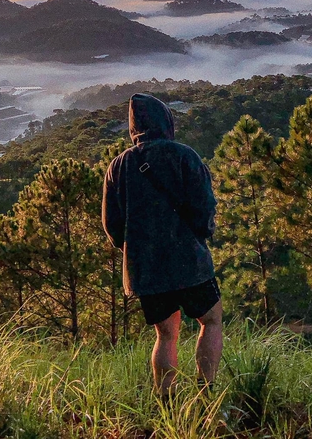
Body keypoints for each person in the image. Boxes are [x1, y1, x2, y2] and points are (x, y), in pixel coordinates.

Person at [102, 92, 222, 398]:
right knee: (210, 320)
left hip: (146, 268)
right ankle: (205, 393)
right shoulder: (184, 156)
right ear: (165, 121)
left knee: (166, 335)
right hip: (188, 260)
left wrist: (136, 250)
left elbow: (112, 227)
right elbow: (205, 207)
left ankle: (166, 400)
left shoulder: (118, 166)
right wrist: (200, 236)